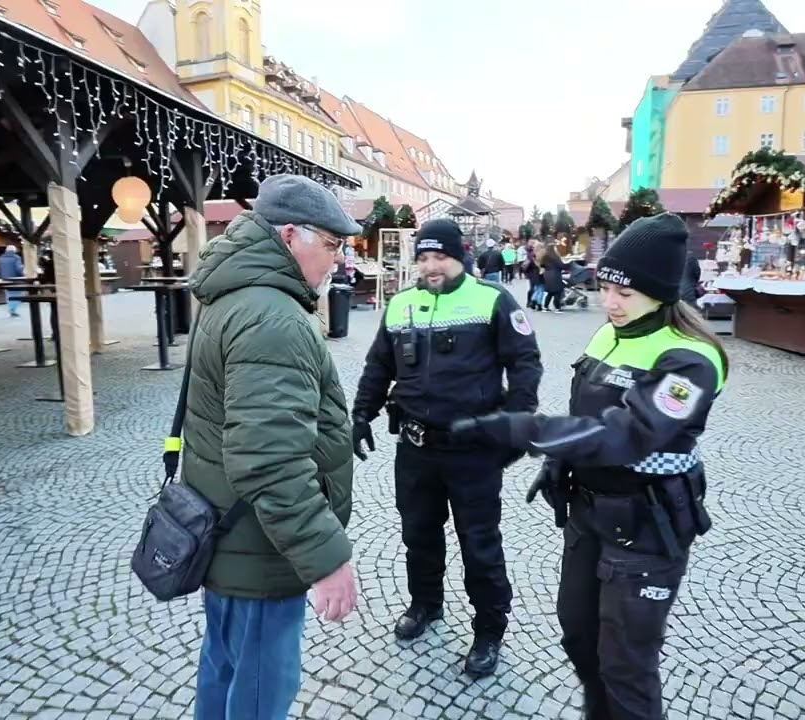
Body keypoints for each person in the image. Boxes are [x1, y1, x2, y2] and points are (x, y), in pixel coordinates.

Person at [449, 213, 727, 720]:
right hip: (589, 515)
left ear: (662, 292)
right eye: (605, 287)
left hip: (646, 525)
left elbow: (629, 434)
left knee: (626, 664)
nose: (610, 302)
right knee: (578, 636)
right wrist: (560, 461)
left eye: (625, 293)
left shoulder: (692, 359)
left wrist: (523, 429)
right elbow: (588, 418)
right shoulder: (608, 336)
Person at [182, 174, 362, 720]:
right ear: (290, 236)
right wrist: (326, 558)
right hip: (261, 547)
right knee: (261, 689)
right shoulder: (272, 318)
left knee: (225, 667)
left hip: (234, 533)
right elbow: (271, 461)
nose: (337, 259)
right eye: (331, 244)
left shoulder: (239, 294)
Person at [351, 218, 543, 678]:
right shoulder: (401, 304)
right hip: (416, 449)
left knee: (479, 543)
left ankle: (489, 629)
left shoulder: (491, 300)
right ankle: (425, 604)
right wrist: (361, 413)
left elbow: (524, 364)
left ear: (461, 256)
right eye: (424, 258)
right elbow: (379, 365)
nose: (432, 266)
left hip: (472, 451)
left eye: (441, 256)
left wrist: (514, 426)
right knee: (418, 533)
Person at [0, 245, 25, 317]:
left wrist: (1, 276)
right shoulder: (16, 258)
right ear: (14, 250)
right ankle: (12, 309)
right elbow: (18, 269)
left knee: (8, 294)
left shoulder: (1, 258)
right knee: (17, 294)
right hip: (15, 280)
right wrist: (23, 274)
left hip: (5, 279)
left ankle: (11, 309)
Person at [539, 242, 567, 313]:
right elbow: (561, 265)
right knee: (557, 292)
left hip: (547, 275)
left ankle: (545, 307)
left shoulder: (545, 256)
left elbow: (542, 265)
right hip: (555, 275)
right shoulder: (555, 257)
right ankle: (557, 308)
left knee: (550, 292)